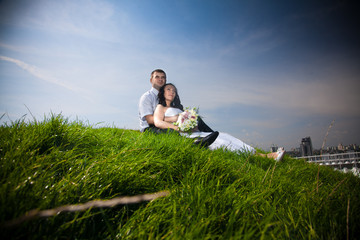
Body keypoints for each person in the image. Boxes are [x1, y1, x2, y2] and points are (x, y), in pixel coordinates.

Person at [153, 83, 285, 161]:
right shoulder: (161, 107)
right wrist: (177, 125)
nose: (172, 92)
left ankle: (262, 155)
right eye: (169, 89)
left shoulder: (180, 108)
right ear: (163, 92)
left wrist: (191, 124)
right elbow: (158, 122)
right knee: (220, 142)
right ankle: (263, 157)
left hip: (193, 132)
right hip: (184, 135)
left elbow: (188, 122)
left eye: (174, 90)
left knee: (225, 135)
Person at [138, 69, 218, 146]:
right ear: (151, 80)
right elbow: (149, 120)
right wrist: (176, 118)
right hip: (150, 128)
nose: (160, 79)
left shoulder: (168, 97)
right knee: (170, 131)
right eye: (157, 77)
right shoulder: (147, 97)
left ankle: (213, 136)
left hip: (165, 124)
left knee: (196, 118)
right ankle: (192, 142)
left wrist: (186, 119)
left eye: (163, 77)